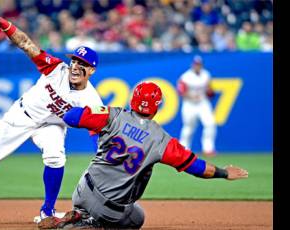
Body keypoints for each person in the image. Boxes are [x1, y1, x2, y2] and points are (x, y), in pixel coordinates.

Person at [0, 1, 103, 223]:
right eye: (73, 60)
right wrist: (2, 22)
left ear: (91, 70)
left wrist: (101, 159)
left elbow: (97, 132)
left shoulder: (92, 100)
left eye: (81, 63)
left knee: (56, 156)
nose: (75, 66)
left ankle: (47, 211)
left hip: (52, 125)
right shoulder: (56, 69)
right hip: (21, 116)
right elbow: (26, 44)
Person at [37, 81, 248, 229]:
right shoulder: (161, 140)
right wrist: (223, 172)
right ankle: (94, 225)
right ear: (156, 107)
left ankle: (80, 214)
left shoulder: (112, 115)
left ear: (133, 99)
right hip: (111, 210)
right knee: (138, 217)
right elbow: (198, 168)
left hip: (82, 191)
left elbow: (71, 117)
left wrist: (95, 111)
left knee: (93, 180)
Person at [177, 55, 217, 157]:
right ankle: (183, 149)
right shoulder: (186, 76)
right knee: (189, 127)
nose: (197, 66)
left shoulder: (206, 74)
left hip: (203, 103)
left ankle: (208, 148)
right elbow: (181, 91)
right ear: (192, 65)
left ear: (202, 65)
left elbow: (209, 89)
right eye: (196, 64)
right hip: (189, 104)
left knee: (210, 124)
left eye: (199, 64)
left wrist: (209, 91)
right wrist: (191, 96)